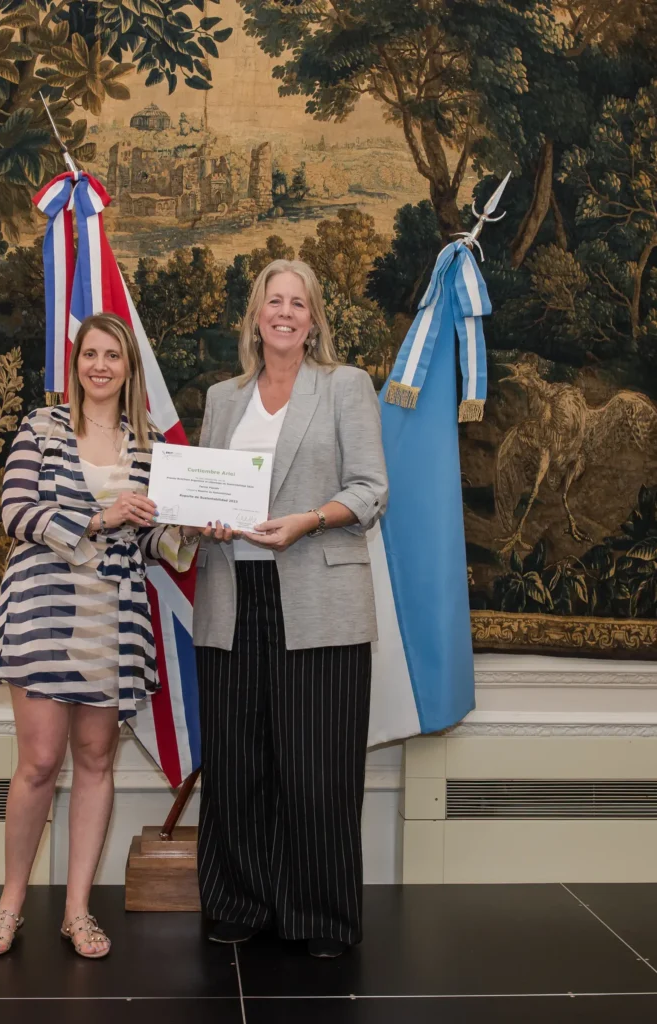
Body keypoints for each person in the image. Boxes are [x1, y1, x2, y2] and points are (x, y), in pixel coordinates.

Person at [0, 312, 199, 959]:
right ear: (75, 365)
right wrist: (99, 517)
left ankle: (77, 911)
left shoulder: (147, 447)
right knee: (40, 762)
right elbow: (16, 512)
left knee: (97, 760)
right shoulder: (40, 426)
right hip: (41, 609)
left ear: (129, 368)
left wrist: (191, 529)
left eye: (112, 355)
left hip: (114, 614)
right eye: (90, 354)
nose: (100, 365)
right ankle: (9, 905)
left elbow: (151, 539)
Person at [192, 259, 388, 959]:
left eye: (297, 303)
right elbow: (203, 492)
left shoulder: (345, 386)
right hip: (230, 598)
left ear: (313, 320)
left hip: (319, 597)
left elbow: (370, 489)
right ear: (255, 316)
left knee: (317, 767)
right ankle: (238, 901)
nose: (283, 313)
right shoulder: (222, 398)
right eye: (273, 301)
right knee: (235, 764)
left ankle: (322, 914)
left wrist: (308, 520)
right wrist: (205, 521)